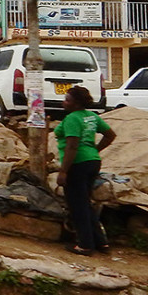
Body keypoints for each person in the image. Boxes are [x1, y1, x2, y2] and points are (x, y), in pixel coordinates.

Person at [55, 86, 116, 256]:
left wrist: (63, 171)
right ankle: (101, 242)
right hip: (93, 162)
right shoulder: (92, 117)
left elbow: (72, 146)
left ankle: (85, 245)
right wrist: (94, 150)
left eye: (67, 100)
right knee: (85, 203)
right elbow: (110, 135)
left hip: (77, 164)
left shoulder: (72, 119)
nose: (63, 102)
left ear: (76, 103)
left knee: (77, 206)